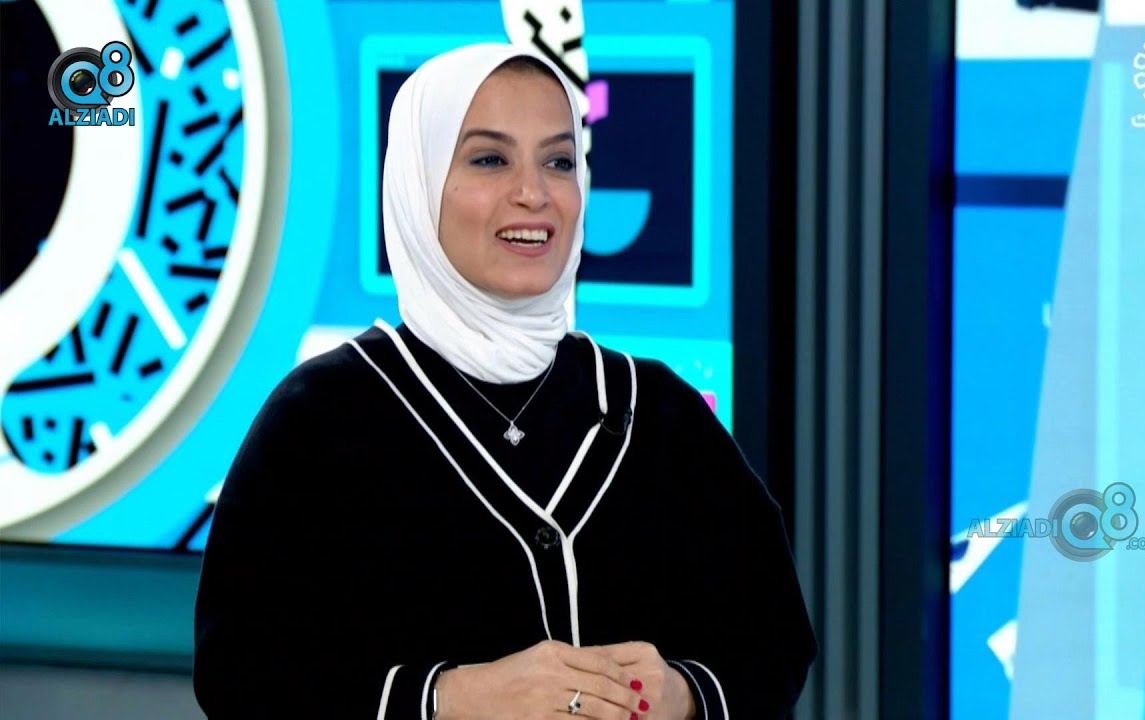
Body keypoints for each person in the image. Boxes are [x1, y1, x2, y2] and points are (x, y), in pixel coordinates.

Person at [193, 43, 816, 719]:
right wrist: (450, 698)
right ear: (420, 183)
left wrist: (682, 696)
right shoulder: (320, 420)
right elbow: (240, 673)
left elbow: (775, 633)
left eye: (559, 161)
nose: (534, 193)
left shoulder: (657, 410)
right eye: (490, 159)